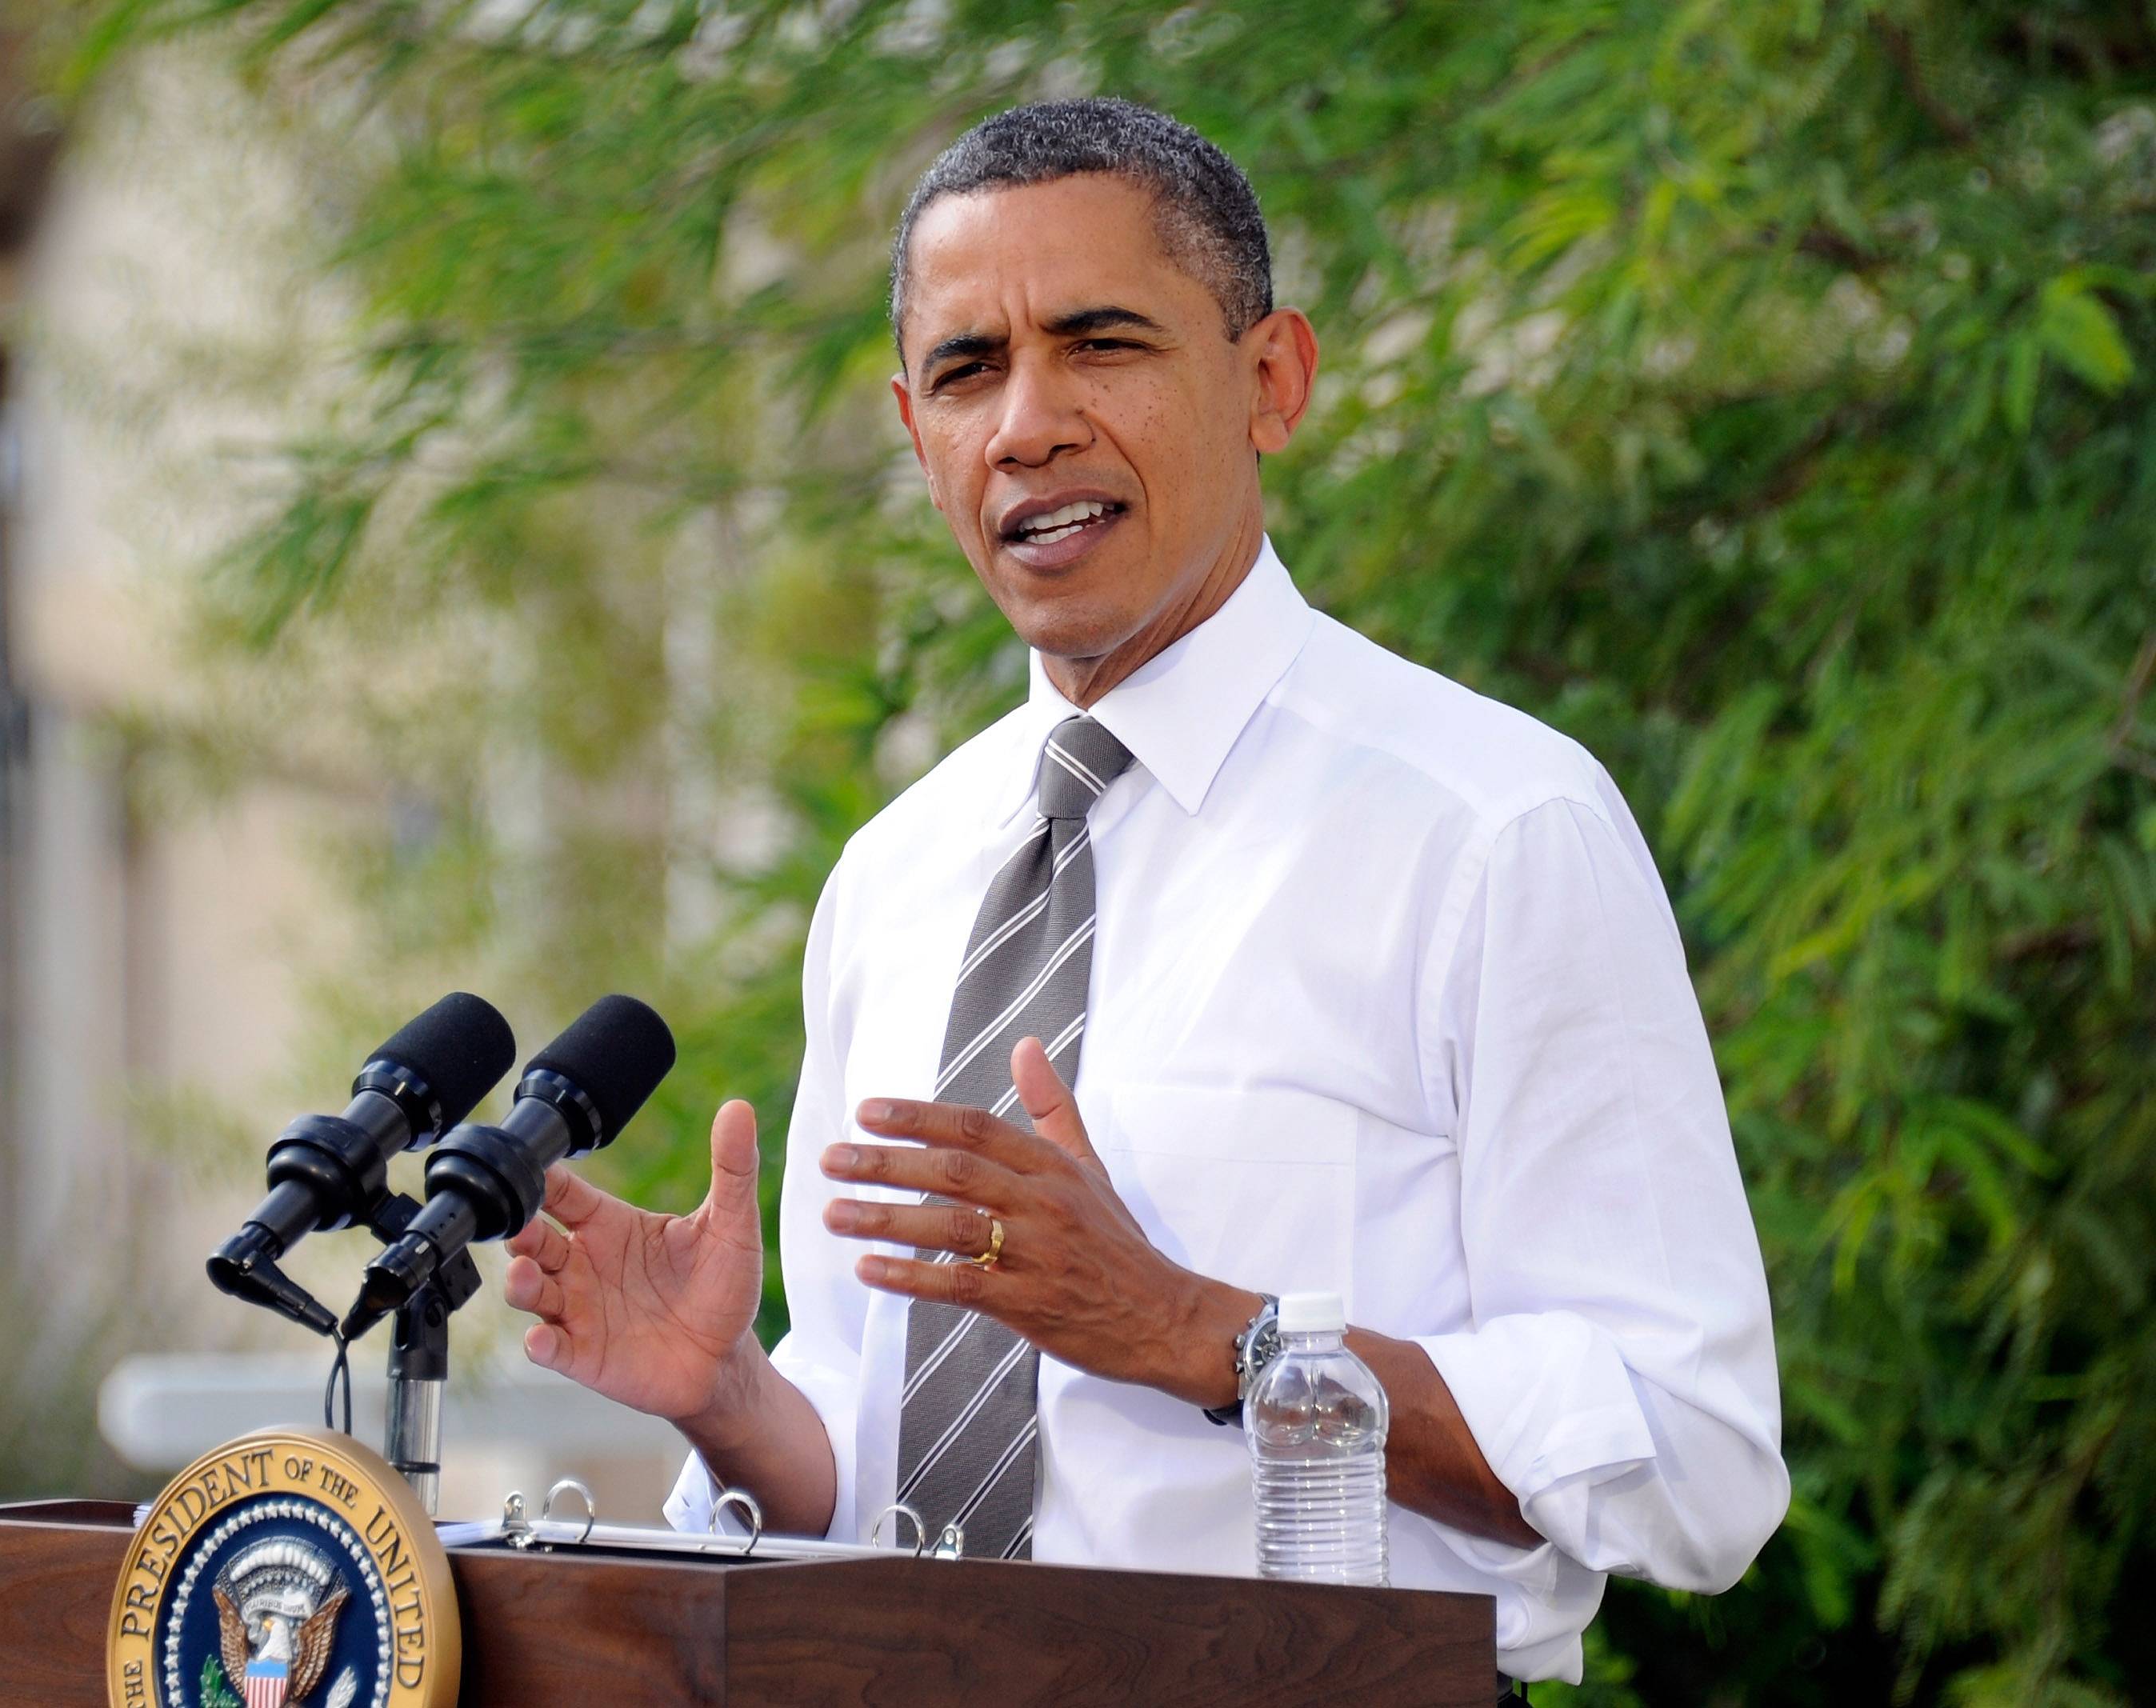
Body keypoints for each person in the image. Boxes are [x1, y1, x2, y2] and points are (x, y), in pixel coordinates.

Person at [500, 98, 1789, 1688]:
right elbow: (881, 1487)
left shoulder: (1494, 829)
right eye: (969, 371)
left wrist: (1208, 1338)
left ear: (1273, 382)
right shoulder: (898, 872)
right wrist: (726, 1398)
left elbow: (1695, 1459)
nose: (1027, 424)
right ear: (917, 436)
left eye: (1100, 344)